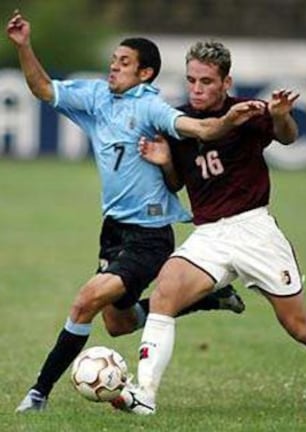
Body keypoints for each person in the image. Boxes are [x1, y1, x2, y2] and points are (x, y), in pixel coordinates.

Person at [7, 13, 262, 413]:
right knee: (118, 323)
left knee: (84, 302)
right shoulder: (95, 97)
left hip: (150, 235)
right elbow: (42, 89)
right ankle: (209, 299)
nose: (114, 65)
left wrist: (227, 120)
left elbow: (201, 131)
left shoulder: (151, 109)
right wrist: (23, 46)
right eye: (113, 59)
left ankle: (38, 393)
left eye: (124, 62)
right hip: (114, 231)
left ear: (145, 73)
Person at [115, 40, 306, 415]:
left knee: (301, 328)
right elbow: (176, 185)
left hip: (254, 230)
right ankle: (145, 395)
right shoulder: (180, 123)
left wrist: (279, 115)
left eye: (206, 82)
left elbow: (287, 136)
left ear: (226, 83)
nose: (196, 89)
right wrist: (165, 162)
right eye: (191, 80)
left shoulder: (246, 112)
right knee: (165, 293)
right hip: (210, 235)